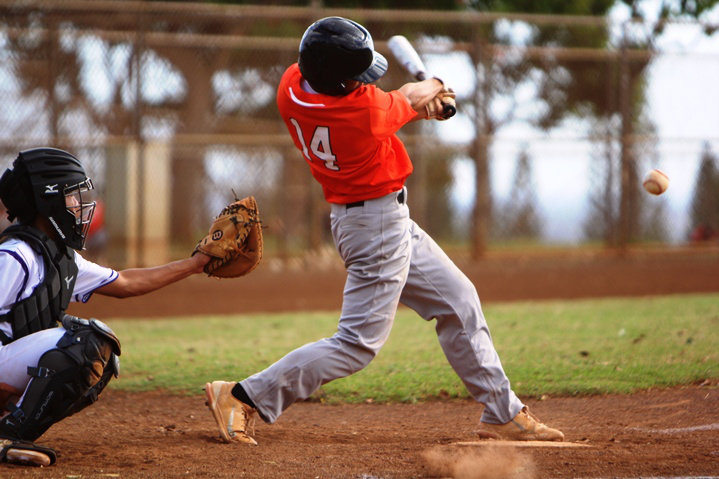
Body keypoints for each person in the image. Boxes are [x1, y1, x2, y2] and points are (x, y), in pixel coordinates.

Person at [204, 16, 563, 446]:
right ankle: (242, 396)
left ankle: (502, 412)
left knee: (458, 300)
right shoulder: (365, 112)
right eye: (355, 77)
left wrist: (421, 102)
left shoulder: (291, 85)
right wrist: (437, 85)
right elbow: (406, 97)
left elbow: (401, 102)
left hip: (375, 220)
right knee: (356, 344)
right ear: (338, 81)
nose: (363, 82)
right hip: (374, 227)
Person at [0, 147, 212, 466]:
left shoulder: (60, 257)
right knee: (86, 344)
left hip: (7, 358)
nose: (79, 205)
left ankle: (9, 428)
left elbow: (126, 283)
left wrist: (196, 264)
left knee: (103, 355)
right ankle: (8, 434)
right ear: (47, 200)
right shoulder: (15, 256)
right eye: (71, 196)